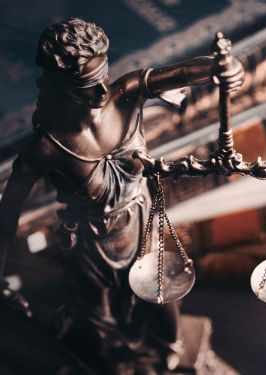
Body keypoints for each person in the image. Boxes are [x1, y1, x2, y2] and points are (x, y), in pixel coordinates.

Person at [0, 17, 243, 374]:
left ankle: (167, 354)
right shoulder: (46, 149)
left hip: (143, 227)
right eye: (86, 86)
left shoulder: (127, 94)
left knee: (163, 306)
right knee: (100, 329)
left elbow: (185, 73)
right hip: (92, 248)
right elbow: (6, 219)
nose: (101, 92)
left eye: (103, 77)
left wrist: (223, 68)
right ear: (58, 85)